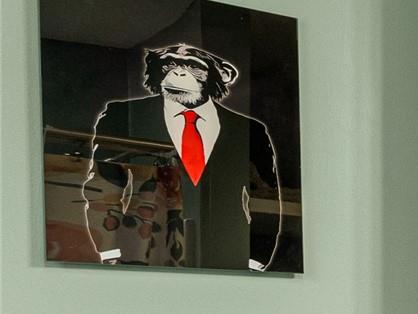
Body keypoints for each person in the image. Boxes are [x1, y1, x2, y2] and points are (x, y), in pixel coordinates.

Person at [82, 42, 284, 270]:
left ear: (221, 75)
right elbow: (102, 186)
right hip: (143, 247)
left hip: (226, 252)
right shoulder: (120, 114)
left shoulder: (249, 129)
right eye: (170, 64)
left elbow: (269, 200)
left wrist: (256, 256)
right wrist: (109, 249)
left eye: (192, 66)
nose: (178, 73)